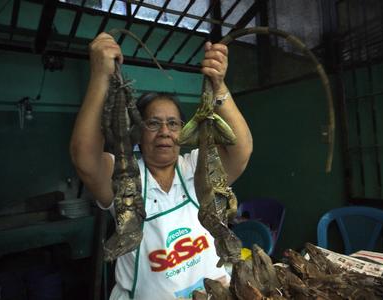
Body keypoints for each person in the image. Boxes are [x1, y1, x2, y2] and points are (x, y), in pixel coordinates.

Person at [70, 32, 253, 300]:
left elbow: (241, 150)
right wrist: (100, 76)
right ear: (138, 132)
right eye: (153, 124)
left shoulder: (194, 167)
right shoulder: (126, 175)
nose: (165, 132)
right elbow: (84, 159)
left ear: (184, 131)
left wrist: (219, 86)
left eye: (173, 123)